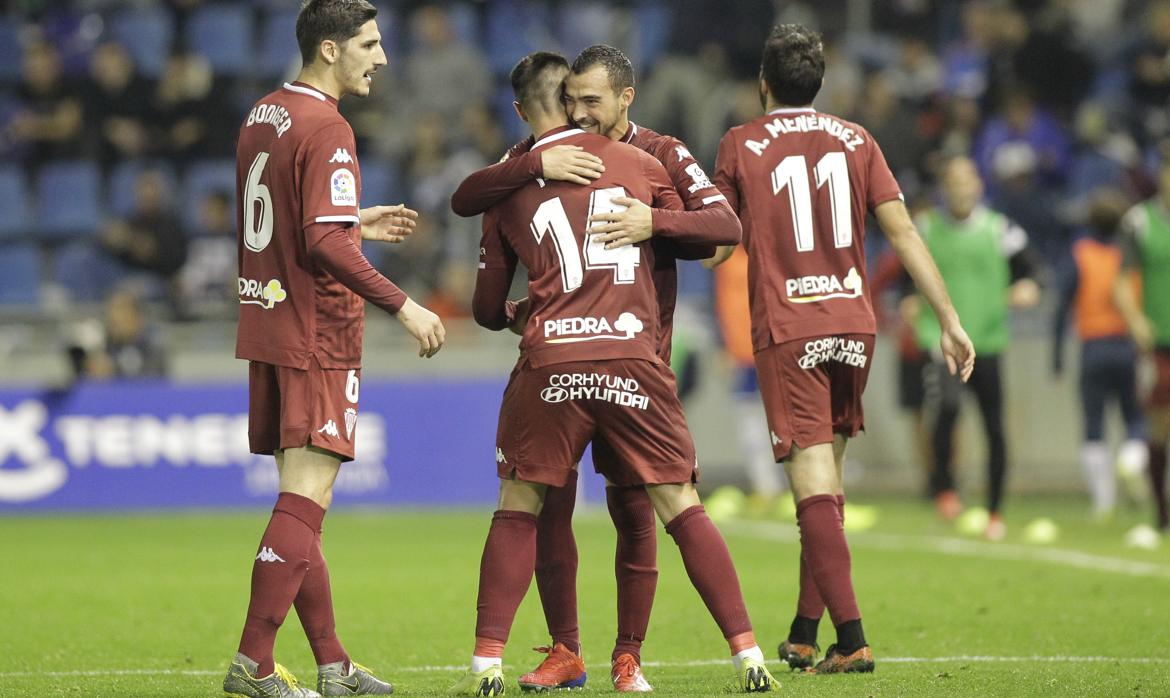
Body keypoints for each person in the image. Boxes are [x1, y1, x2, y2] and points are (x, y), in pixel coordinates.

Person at [449, 51, 775, 696]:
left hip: (565, 362)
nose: (579, 112)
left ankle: (610, 657)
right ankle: (589, 652)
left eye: (591, 100)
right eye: (572, 99)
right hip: (633, 361)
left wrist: (655, 221)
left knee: (570, 506)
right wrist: (536, 162)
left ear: (626, 97)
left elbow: (723, 228)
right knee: (653, 506)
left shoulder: (656, 153)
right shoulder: (611, 165)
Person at [708, 24, 975, 674]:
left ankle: (851, 639)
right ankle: (805, 632)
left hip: (791, 325)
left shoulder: (742, 144)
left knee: (812, 482)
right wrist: (949, 317)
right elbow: (904, 231)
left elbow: (716, 244)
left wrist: (651, 230)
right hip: (853, 325)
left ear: (763, 83)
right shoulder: (858, 138)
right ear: (819, 83)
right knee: (825, 482)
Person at [224, 2, 445, 697]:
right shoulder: (330, 125)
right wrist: (403, 304)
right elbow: (321, 245)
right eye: (369, 45)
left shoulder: (266, 113)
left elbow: (301, 218)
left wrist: (350, 216)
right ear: (329, 49)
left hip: (269, 317)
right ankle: (253, 662)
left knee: (301, 495)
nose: (380, 58)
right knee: (306, 499)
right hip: (317, 330)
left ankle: (332, 663)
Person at [908, 156, 1040, 538]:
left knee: (993, 425)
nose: (961, 189)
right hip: (942, 338)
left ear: (979, 186)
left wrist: (1027, 288)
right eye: (954, 182)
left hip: (988, 338)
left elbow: (1031, 272)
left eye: (967, 182)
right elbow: (904, 270)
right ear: (944, 189)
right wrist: (907, 297)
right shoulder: (927, 228)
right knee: (946, 408)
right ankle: (944, 487)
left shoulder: (1000, 230)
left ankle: (995, 509)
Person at [1053, 189, 1147, 519]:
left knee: (1094, 424)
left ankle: (1103, 501)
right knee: (1135, 417)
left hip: (1093, 348)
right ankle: (1132, 459)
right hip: (1126, 346)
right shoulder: (1131, 257)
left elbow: (1061, 308)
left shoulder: (1080, 254)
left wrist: (1057, 359)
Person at [1116, 158, 1170, 536]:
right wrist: (1136, 321)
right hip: (1160, 342)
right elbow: (1120, 282)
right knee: (1160, 426)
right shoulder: (1139, 221)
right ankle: (1162, 514)